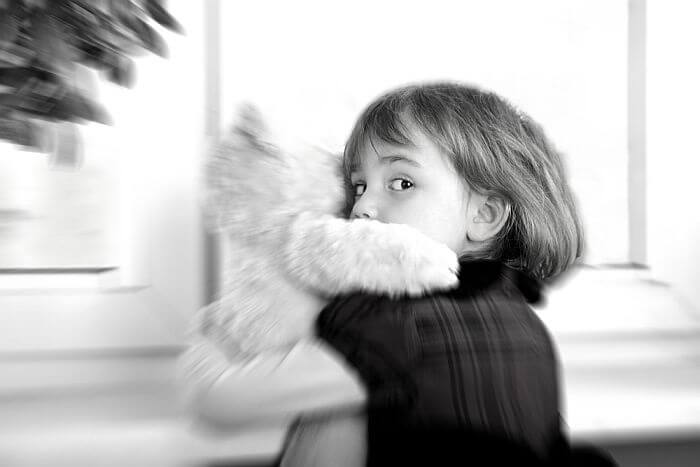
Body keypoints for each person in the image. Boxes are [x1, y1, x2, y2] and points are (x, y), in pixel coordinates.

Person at [179, 82, 613, 466]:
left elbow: (221, 401)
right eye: (360, 185)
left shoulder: (391, 321)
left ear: (485, 214)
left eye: (401, 183)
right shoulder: (526, 321)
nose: (362, 207)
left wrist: (215, 337)